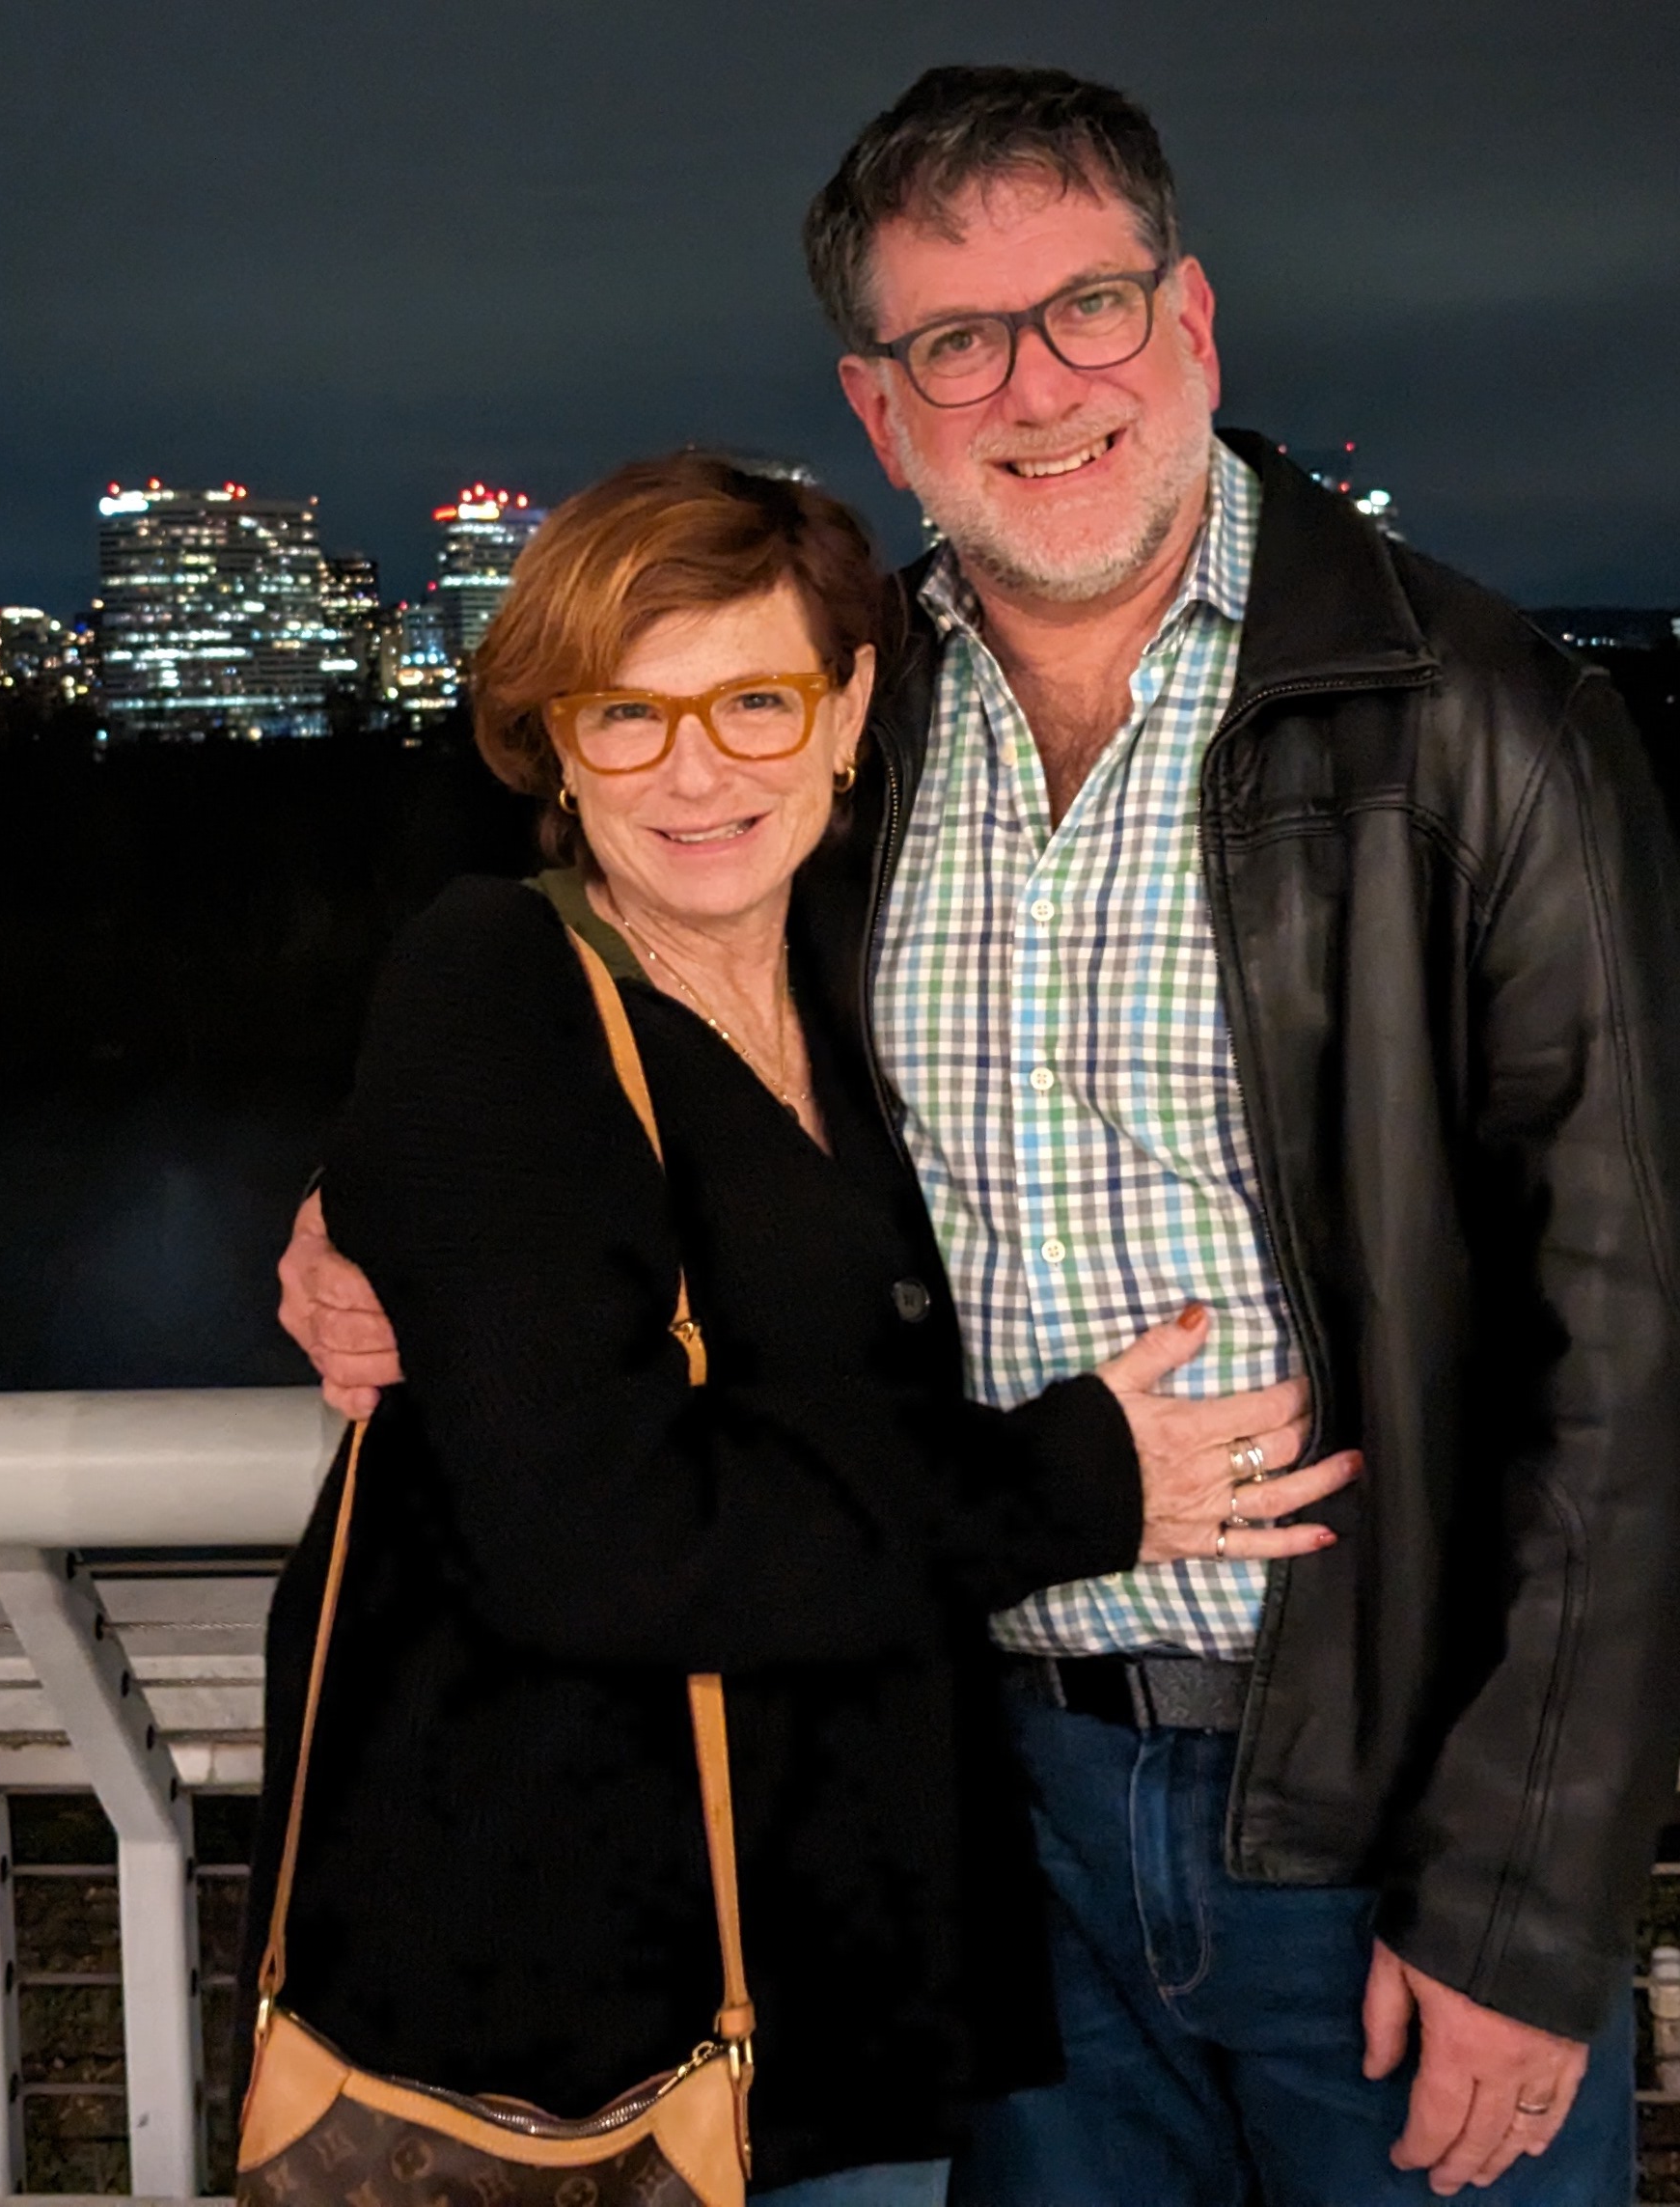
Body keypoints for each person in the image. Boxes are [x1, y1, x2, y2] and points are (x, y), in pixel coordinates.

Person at [281, 69, 1680, 2207]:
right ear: (881, 408)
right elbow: (609, 1011)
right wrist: (357, 1212)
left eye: (1086, 309)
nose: (1035, 386)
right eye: (956, 342)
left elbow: (1627, 1352)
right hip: (971, 1812)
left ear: (1190, 325)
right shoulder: (852, 708)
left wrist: (1519, 1901)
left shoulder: (1473, 717)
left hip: (1363, 1804)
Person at [246, 452, 1357, 2207]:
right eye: (628, 714)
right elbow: (599, 1540)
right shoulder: (496, 981)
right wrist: (1081, 1486)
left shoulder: (864, 957)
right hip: (598, 2019)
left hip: (861, 1973)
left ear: (848, 710)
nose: (698, 770)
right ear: (553, 744)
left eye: (756, 701)